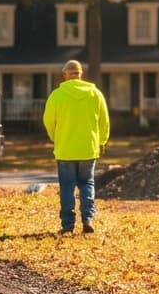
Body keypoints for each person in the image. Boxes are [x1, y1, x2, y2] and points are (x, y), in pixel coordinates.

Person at [42, 59, 110, 235]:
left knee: (67, 186)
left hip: (65, 149)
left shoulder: (57, 95)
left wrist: (55, 138)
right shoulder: (95, 94)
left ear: (65, 74)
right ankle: (87, 219)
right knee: (87, 182)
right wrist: (102, 142)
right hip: (88, 148)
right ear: (80, 74)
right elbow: (104, 122)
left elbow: (48, 121)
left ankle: (67, 225)